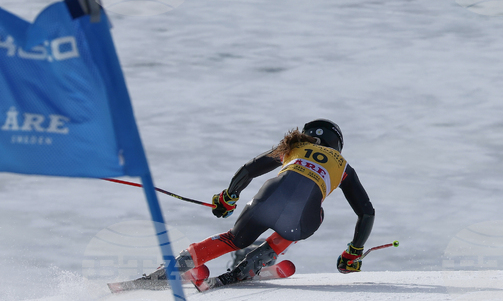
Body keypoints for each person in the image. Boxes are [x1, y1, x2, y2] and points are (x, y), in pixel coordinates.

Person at [143, 119, 375, 287]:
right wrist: (353, 253)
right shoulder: (343, 166)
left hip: (267, 200)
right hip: (300, 219)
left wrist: (228, 197)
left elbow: (248, 170)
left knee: (232, 239)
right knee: (317, 212)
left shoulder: (294, 146)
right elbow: (366, 213)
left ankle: (178, 264)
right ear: (336, 144)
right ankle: (257, 260)